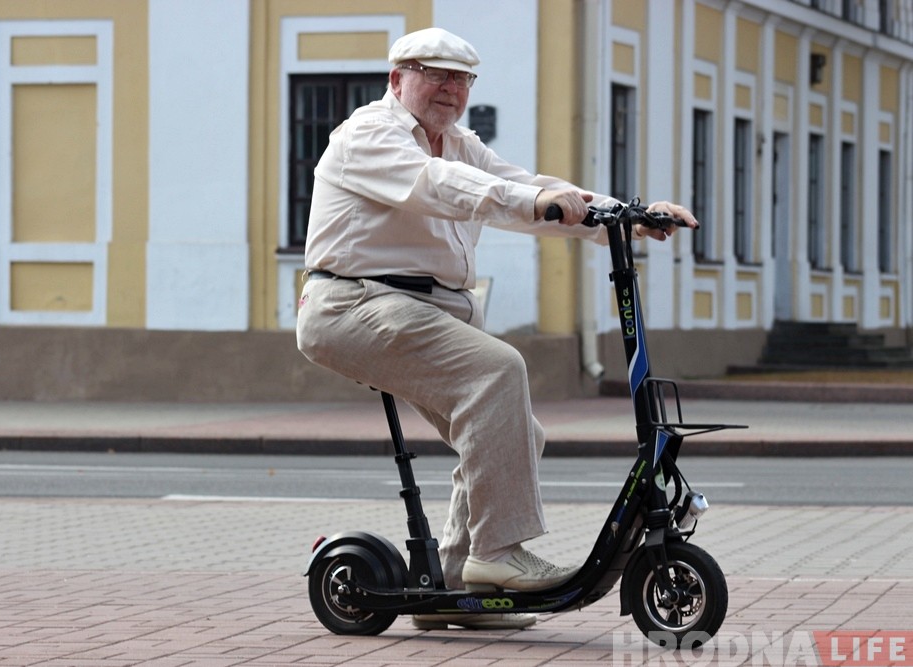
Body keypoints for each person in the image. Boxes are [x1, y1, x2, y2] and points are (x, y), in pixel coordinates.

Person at [296, 27, 696, 631]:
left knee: (514, 433)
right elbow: (441, 188)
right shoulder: (367, 134)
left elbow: (530, 189)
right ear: (397, 79)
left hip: (425, 313)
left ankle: (461, 587)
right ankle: (497, 553)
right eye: (436, 74)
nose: (450, 89)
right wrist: (529, 201)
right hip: (354, 304)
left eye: (461, 79)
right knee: (499, 371)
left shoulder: (461, 145)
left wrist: (627, 215)